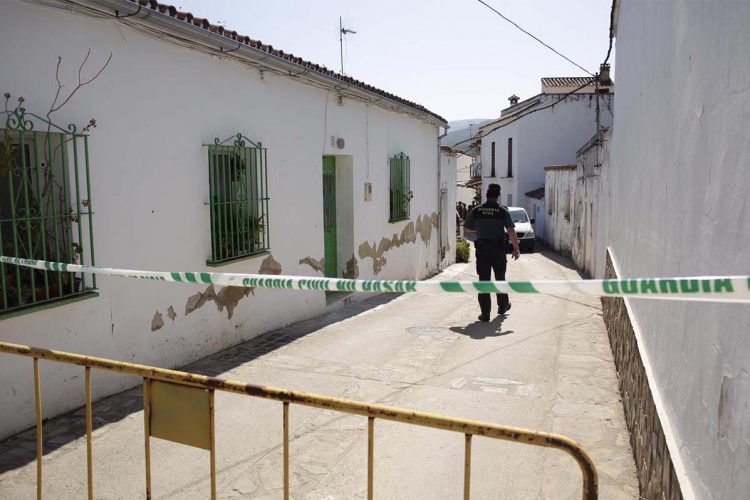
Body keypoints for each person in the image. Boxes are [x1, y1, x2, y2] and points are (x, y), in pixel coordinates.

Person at [463, 183, 520, 322]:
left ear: (486, 195)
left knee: (484, 281)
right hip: (499, 250)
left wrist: (480, 231)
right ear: (498, 196)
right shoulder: (502, 211)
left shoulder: (477, 210)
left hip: (482, 250)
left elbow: (467, 228)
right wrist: (516, 248)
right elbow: (511, 230)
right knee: (500, 278)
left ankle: (485, 314)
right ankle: (503, 306)